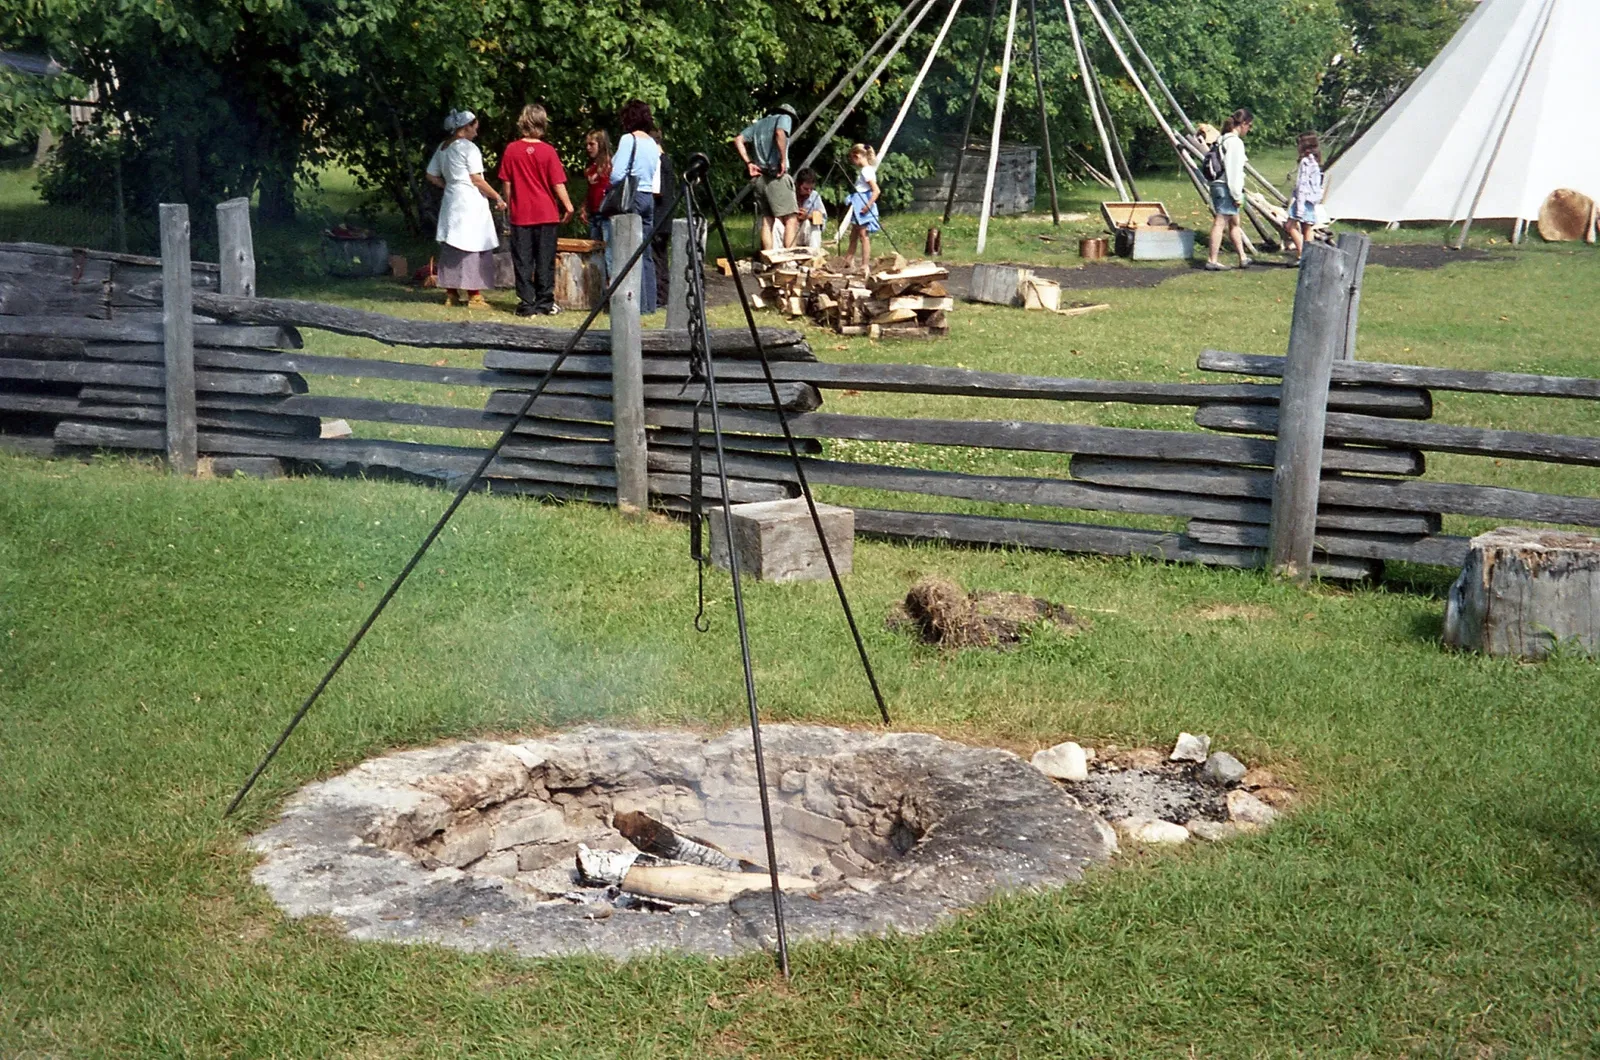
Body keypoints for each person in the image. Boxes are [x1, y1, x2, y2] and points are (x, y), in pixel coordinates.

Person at [498, 104, 574, 316]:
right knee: (545, 260)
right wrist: (568, 205)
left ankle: (526, 303)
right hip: (546, 213)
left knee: (522, 260)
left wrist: (510, 203)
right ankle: (545, 301)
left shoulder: (512, 150)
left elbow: (507, 182)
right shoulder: (548, 151)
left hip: (522, 214)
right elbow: (557, 182)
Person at [425, 110, 505, 307]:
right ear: (465, 127)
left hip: (452, 198)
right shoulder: (468, 148)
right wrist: (497, 196)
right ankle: (474, 294)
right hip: (469, 200)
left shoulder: (443, 147)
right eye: (474, 128)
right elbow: (476, 178)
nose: (476, 133)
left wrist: (449, 185)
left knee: (453, 243)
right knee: (472, 243)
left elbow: (431, 175)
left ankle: (451, 292)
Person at [612, 99, 661, 313]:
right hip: (648, 196)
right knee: (646, 253)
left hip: (632, 196)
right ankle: (650, 302)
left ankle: (636, 303)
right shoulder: (652, 143)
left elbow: (616, 174)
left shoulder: (628, 140)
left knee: (630, 251)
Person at [733, 103, 799, 250]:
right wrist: (782, 159)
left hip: (759, 179)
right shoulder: (785, 118)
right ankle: (790, 260)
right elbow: (779, 133)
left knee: (767, 220)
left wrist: (749, 162)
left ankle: (768, 258)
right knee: (791, 219)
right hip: (777, 177)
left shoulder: (759, 124)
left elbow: (738, 140)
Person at [1205, 108, 1253, 272]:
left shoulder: (1222, 139)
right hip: (1226, 186)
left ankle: (1243, 257)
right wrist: (1237, 195)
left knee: (1234, 222)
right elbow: (1233, 171)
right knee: (1220, 222)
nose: (1249, 129)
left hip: (1217, 184)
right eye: (1249, 125)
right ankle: (1212, 260)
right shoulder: (1235, 143)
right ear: (1243, 124)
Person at [1284, 132, 1324, 265]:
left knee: (1290, 226)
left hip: (1304, 199)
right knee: (1307, 228)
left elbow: (1302, 185)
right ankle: (1308, 255)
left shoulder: (1306, 162)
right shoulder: (1314, 161)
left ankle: (1303, 253)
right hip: (1311, 199)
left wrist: (1299, 206)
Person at [577, 128, 612, 279]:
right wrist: (585, 207)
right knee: (594, 251)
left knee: (609, 252)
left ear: (601, 145)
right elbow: (591, 191)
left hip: (607, 215)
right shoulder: (592, 168)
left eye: (592, 144)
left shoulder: (609, 166)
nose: (588, 148)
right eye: (587, 144)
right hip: (594, 214)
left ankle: (611, 284)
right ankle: (597, 284)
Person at [844, 144, 881, 276]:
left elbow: (876, 190)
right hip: (858, 202)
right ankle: (848, 259)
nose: (853, 162)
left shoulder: (866, 171)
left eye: (852, 159)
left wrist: (868, 206)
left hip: (864, 203)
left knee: (863, 236)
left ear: (857, 156)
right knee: (853, 234)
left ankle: (865, 265)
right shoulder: (866, 170)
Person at [651, 127, 676, 312]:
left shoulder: (659, 162)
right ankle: (662, 294)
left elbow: (657, 190)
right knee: (660, 256)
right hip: (665, 216)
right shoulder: (667, 161)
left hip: (659, 216)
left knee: (657, 257)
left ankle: (661, 295)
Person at [794, 168, 825, 251]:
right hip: (790, 231)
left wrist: (808, 216)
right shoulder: (790, 194)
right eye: (805, 189)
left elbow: (822, 219)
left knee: (814, 224)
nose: (809, 192)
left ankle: (814, 254)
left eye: (811, 189)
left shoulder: (815, 196)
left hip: (806, 232)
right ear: (797, 184)